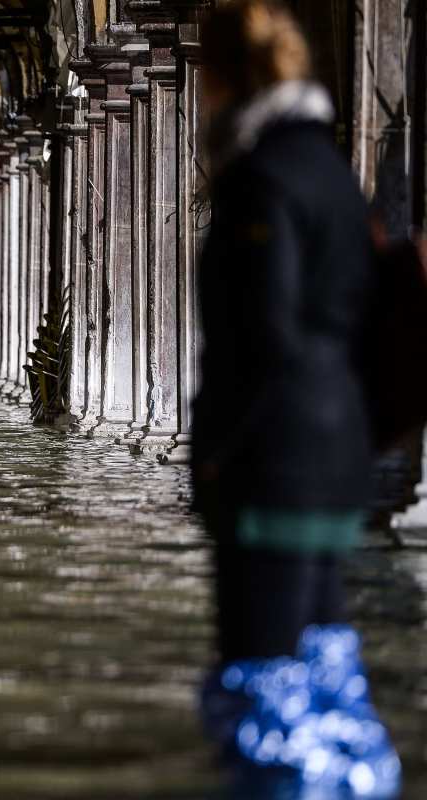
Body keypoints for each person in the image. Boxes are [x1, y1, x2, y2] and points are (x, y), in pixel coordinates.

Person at [192, 2, 400, 795]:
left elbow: (263, 335)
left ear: (220, 78)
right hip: (338, 449)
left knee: (262, 670)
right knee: (324, 658)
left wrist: (215, 458)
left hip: (272, 457)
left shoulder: (262, 178)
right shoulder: (329, 169)